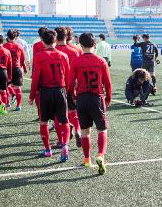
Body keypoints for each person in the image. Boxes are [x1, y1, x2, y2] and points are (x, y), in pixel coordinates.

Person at [68, 33, 112, 175]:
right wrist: (108, 98)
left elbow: (70, 83)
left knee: (85, 131)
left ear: (80, 45)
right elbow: (107, 83)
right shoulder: (100, 61)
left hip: (81, 98)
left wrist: (74, 96)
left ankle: (87, 159)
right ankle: (100, 155)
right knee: (102, 129)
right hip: (96, 98)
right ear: (94, 45)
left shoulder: (76, 61)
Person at [29, 30, 71, 162]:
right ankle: (64, 145)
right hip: (60, 91)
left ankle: (47, 150)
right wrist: (67, 91)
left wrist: (31, 95)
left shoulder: (39, 56)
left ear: (42, 41)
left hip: (45, 92)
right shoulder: (63, 55)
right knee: (63, 121)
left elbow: (35, 78)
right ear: (55, 40)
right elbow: (68, 76)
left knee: (44, 122)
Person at [55, 27, 81, 148]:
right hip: (73, 85)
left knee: (58, 114)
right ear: (67, 36)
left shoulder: (52, 51)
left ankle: (61, 140)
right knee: (73, 110)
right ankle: (77, 130)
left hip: (57, 86)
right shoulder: (75, 50)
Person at [3, 30, 27, 111]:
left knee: (5, 88)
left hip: (7, 69)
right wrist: (23, 68)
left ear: (7, 36)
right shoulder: (19, 46)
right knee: (18, 88)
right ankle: (18, 105)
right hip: (17, 69)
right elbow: (23, 59)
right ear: (15, 37)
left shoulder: (4, 46)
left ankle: (7, 103)